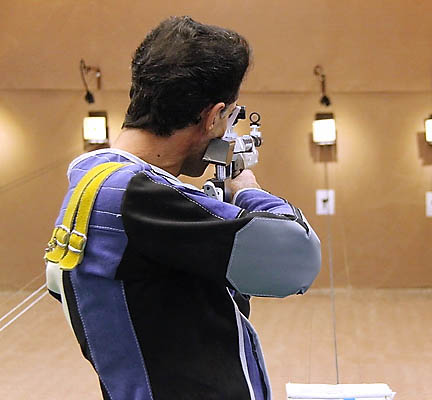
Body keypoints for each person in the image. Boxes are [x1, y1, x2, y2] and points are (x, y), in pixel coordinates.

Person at [44, 16, 321, 400]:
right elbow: (297, 257)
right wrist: (245, 188)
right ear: (212, 116)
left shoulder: (94, 181)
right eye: (228, 118)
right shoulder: (133, 196)